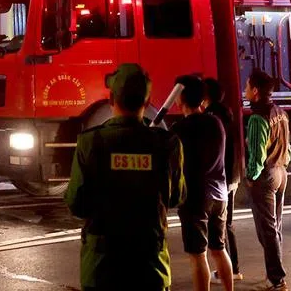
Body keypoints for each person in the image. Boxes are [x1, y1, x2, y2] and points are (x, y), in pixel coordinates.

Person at [65, 64, 184, 291]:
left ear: (111, 99)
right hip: (150, 266)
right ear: (147, 103)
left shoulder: (91, 142)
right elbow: (177, 197)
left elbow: (76, 204)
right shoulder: (167, 144)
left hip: (102, 267)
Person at [172, 76, 233, 291]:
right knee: (219, 249)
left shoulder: (181, 129)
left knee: (198, 256)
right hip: (220, 194)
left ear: (180, 97)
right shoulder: (215, 122)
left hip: (196, 197)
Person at [245, 69, 291, 291]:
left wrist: (250, 178)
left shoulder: (257, 118)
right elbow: (288, 149)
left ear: (255, 91)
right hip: (282, 172)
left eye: (247, 86)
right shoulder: (280, 112)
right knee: (275, 227)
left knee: (267, 230)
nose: (245, 90)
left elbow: (256, 156)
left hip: (267, 176)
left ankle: (277, 279)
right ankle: (275, 275)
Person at [203, 77, 243, 284]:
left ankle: (228, 270)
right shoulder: (227, 114)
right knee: (228, 224)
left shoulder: (211, 117)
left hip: (222, 177)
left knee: (221, 226)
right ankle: (233, 268)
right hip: (232, 175)